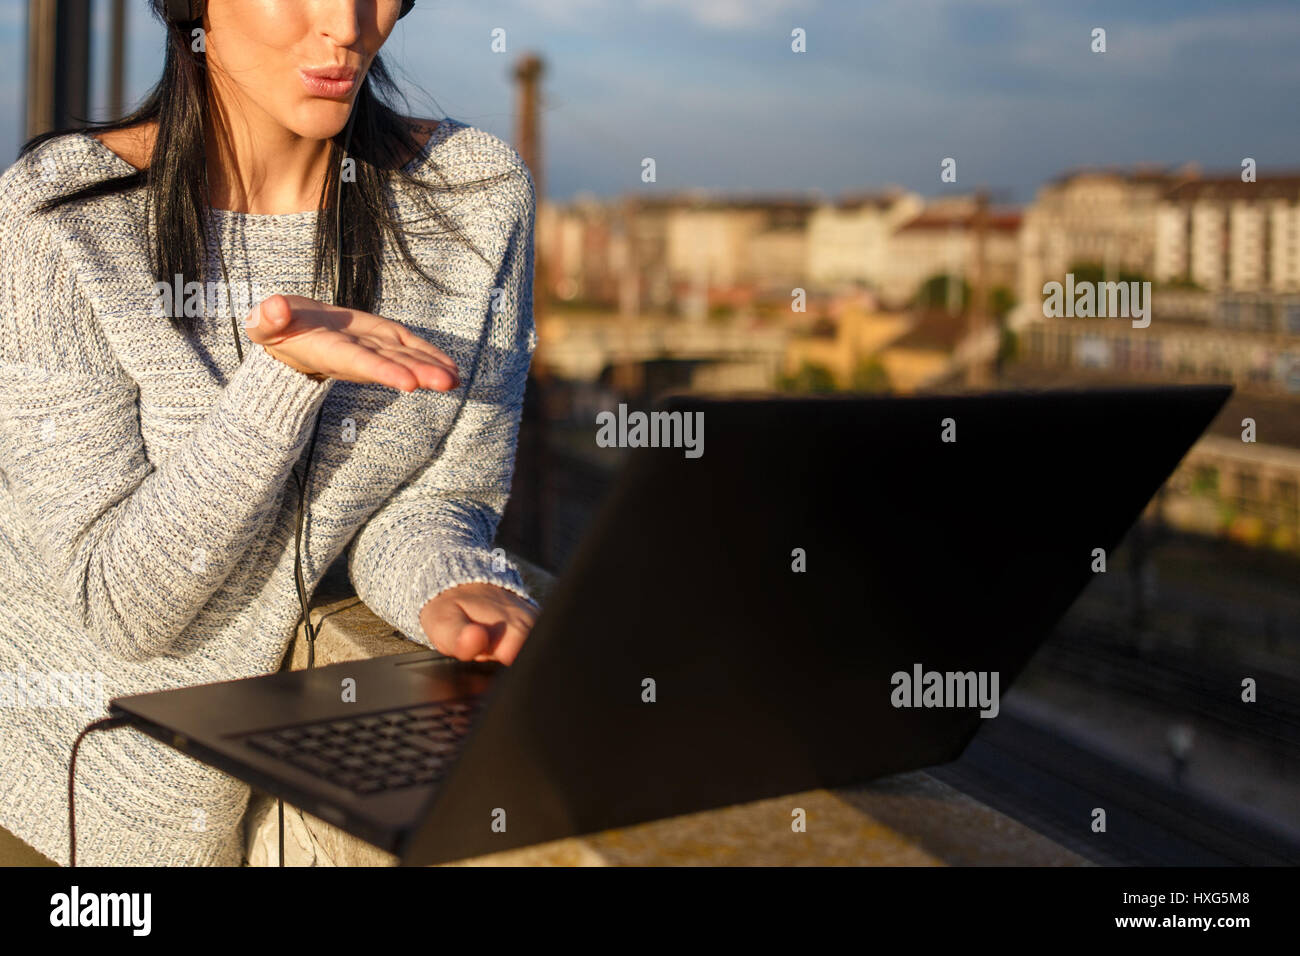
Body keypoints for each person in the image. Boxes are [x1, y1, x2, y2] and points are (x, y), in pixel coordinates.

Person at [0, 0, 539, 865]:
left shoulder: (472, 199)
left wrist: (448, 582)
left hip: (287, 791)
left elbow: (438, 496)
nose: (349, 25)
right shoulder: (66, 216)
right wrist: (284, 381)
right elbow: (119, 606)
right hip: (68, 808)